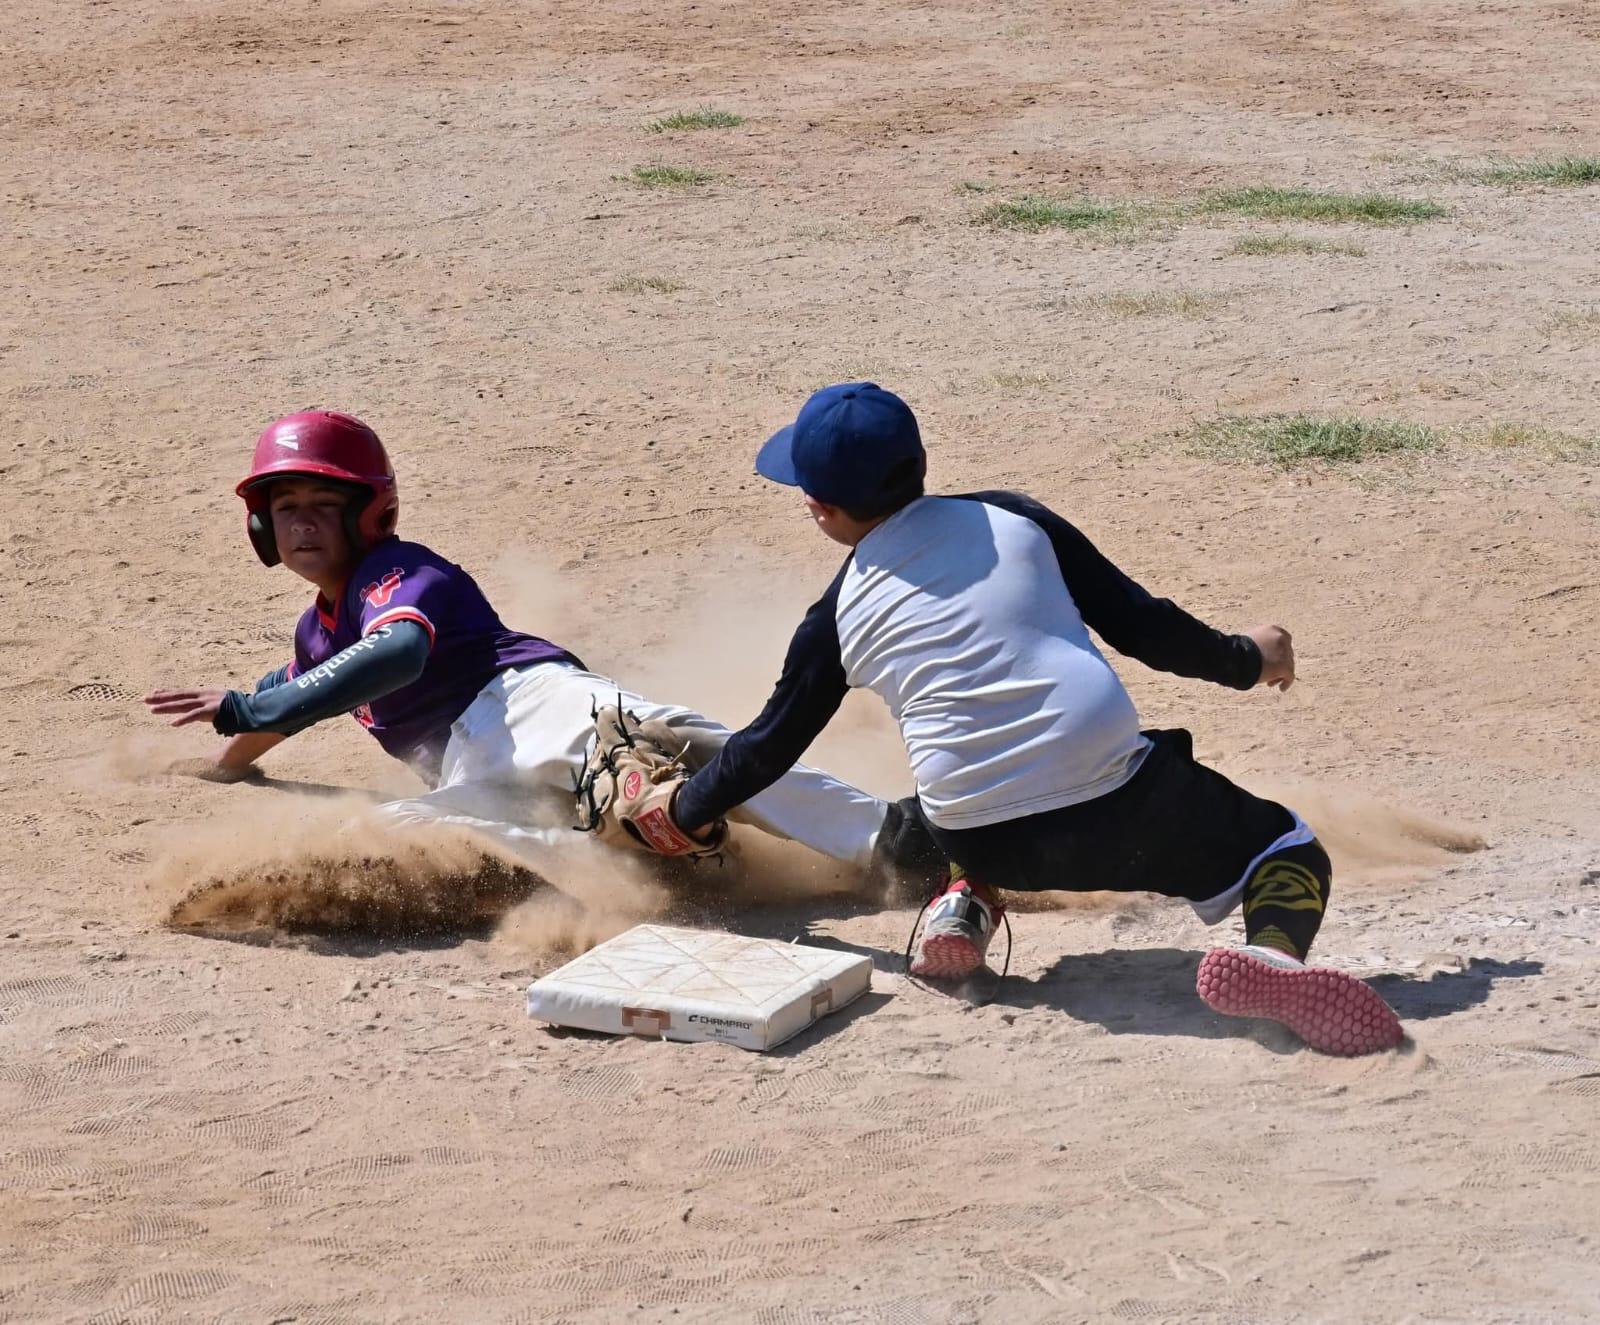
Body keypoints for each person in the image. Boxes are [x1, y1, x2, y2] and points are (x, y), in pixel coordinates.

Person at [655, 383, 1403, 1056]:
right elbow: (1144, 628)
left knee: (951, 786)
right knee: (1287, 850)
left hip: (981, 834)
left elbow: (766, 747)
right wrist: (1251, 657)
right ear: (921, 461)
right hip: (1121, 807)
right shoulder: (1015, 518)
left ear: (820, 508)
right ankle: (1270, 955)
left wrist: (680, 811)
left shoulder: (835, 618)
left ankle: (963, 904)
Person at [144, 409, 933, 883]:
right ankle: (620, 869)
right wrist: (225, 764)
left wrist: (249, 704)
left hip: (525, 704)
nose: (304, 523)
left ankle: (900, 840)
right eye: (286, 508)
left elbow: (393, 658)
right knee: (396, 835)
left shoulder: (400, 571)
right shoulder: (320, 633)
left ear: (369, 515)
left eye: (323, 504)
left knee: (677, 749)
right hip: (468, 767)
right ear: (260, 526)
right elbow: (295, 697)